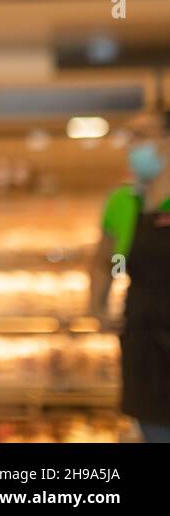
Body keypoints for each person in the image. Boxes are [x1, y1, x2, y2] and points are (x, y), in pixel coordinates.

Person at [91, 127, 170, 443]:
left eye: (144, 135)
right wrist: (97, 307)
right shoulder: (123, 201)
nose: (135, 146)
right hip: (143, 341)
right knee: (154, 431)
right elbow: (104, 262)